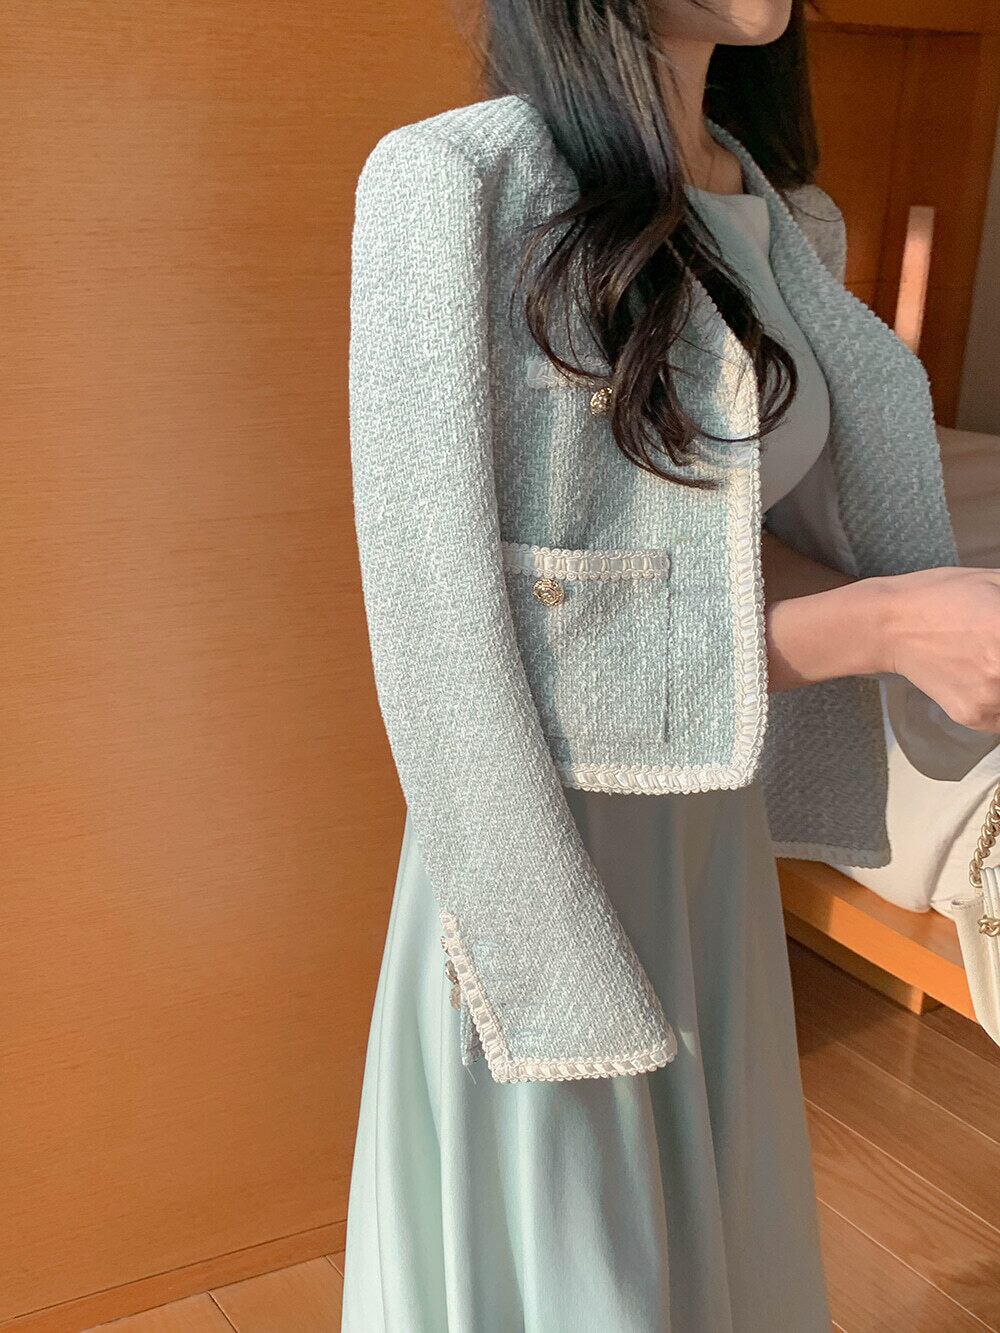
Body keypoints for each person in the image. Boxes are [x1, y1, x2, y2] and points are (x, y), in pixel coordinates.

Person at [342, 2, 1000, 1328]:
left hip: (708, 843)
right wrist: (883, 627)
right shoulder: (451, 183)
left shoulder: (785, 218)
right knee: (582, 1270)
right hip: (540, 850)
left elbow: (718, 556)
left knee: (708, 1256)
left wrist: (912, 609)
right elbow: (451, 636)